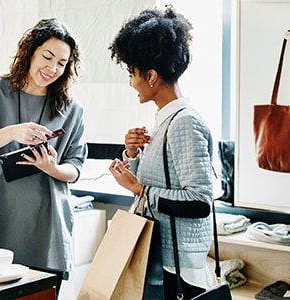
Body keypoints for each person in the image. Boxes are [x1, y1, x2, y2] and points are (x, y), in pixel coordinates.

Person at [0, 18, 87, 294]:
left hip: (48, 229)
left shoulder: (72, 109)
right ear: (29, 51)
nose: (52, 68)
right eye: (47, 56)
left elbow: (75, 168)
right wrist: (11, 132)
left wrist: (52, 167)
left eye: (62, 63)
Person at [107, 5, 215, 299]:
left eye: (132, 73)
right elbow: (164, 184)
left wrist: (139, 189)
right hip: (164, 256)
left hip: (178, 266)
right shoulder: (166, 119)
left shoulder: (184, 122)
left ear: (151, 76)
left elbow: (199, 201)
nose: (131, 82)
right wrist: (133, 155)